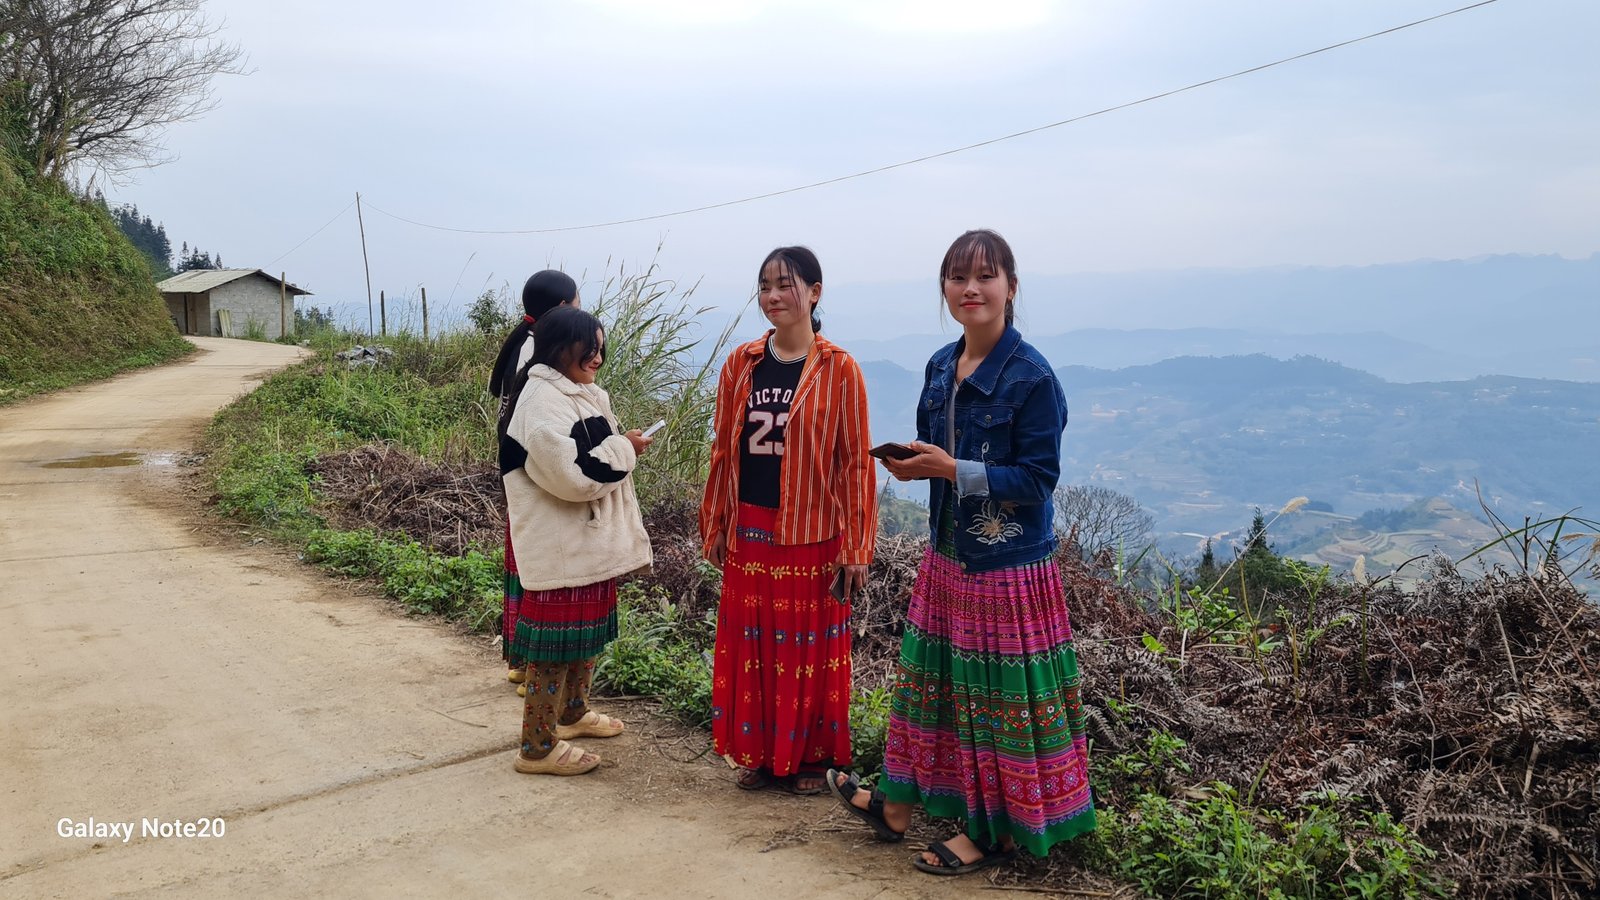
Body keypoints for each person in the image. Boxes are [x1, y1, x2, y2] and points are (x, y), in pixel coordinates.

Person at [827, 230, 1096, 873]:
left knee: (998, 705)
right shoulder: (941, 366)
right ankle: (894, 805)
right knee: (931, 689)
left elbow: (1037, 481)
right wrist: (918, 466)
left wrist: (951, 471)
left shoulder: (1032, 378)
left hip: (1005, 567)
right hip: (948, 553)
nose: (970, 289)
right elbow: (937, 457)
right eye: (957, 277)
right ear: (944, 288)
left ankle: (995, 833)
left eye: (985, 276)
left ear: (1011, 285)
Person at [699, 246, 876, 795]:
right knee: (753, 644)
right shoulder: (742, 363)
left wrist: (858, 545)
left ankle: (807, 761)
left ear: (815, 293)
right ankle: (760, 755)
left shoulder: (838, 368)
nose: (773, 296)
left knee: (805, 649)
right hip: (750, 527)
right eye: (765, 286)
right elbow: (723, 451)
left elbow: (854, 461)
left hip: (811, 530)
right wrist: (717, 520)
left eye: (786, 285)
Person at [499, 305, 652, 775]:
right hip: (561, 547)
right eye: (589, 348)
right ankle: (537, 748)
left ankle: (572, 713)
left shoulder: (576, 393)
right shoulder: (541, 403)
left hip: (585, 545)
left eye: (601, 349)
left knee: (584, 641)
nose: (597, 358)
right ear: (558, 348)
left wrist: (622, 446)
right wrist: (625, 448)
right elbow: (574, 476)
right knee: (551, 651)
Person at [489, 270, 580, 695]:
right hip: (532, 473)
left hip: (518, 469)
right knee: (538, 569)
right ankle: (533, 669)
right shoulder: (538, 351)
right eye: (577, 301)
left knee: (524, 565)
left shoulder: (523, 340)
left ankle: (522, 663)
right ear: (561, 307)